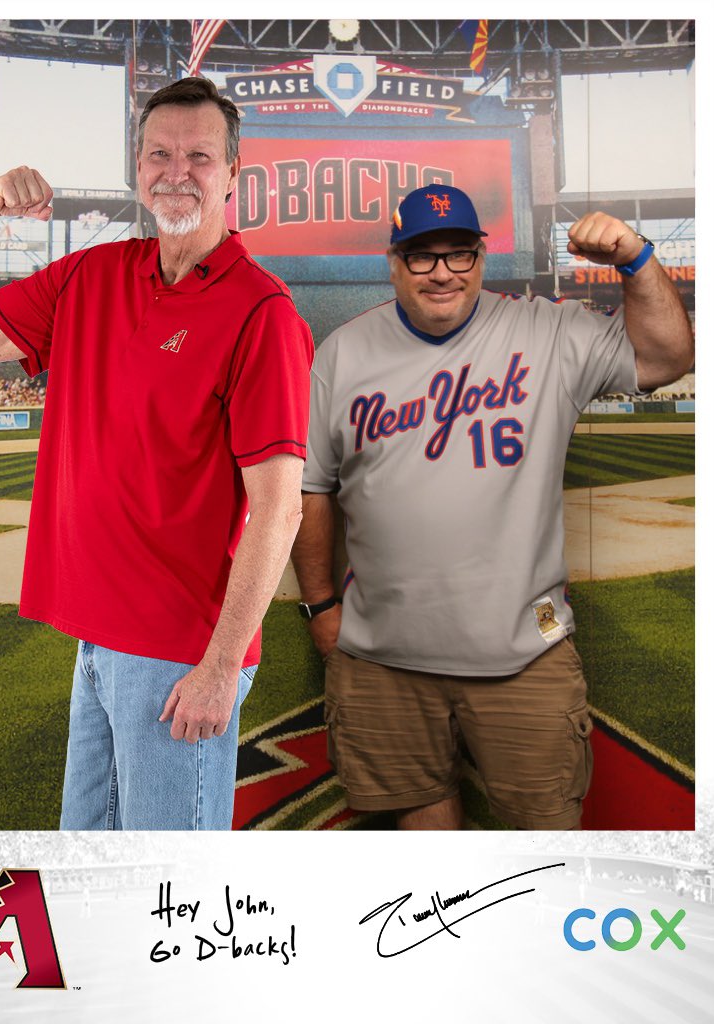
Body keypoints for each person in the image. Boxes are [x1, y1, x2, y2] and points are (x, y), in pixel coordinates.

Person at [0, 77, 313, 831]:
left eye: (199, 156)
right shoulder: (88, 277)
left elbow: (280, 508)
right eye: (159, 154)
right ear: (138, 168)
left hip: (180, 656)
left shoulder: (260, 312)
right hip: (98, 644)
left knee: (166, 890)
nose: (176, 171)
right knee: (89, 869)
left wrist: (221, 667)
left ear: (233, 174)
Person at [291, 184, 693, 831]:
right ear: (393, 262)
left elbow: (668, 356)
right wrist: (320, 606)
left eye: (459, 253)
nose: (443, 271)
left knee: (543, 836)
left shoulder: (547, 331)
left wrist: (635, 258)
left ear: (482, 257)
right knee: (425, 852)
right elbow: (312, 488)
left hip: (523, 654)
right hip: (383, 661)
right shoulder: (342, 354)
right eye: (422, 256)